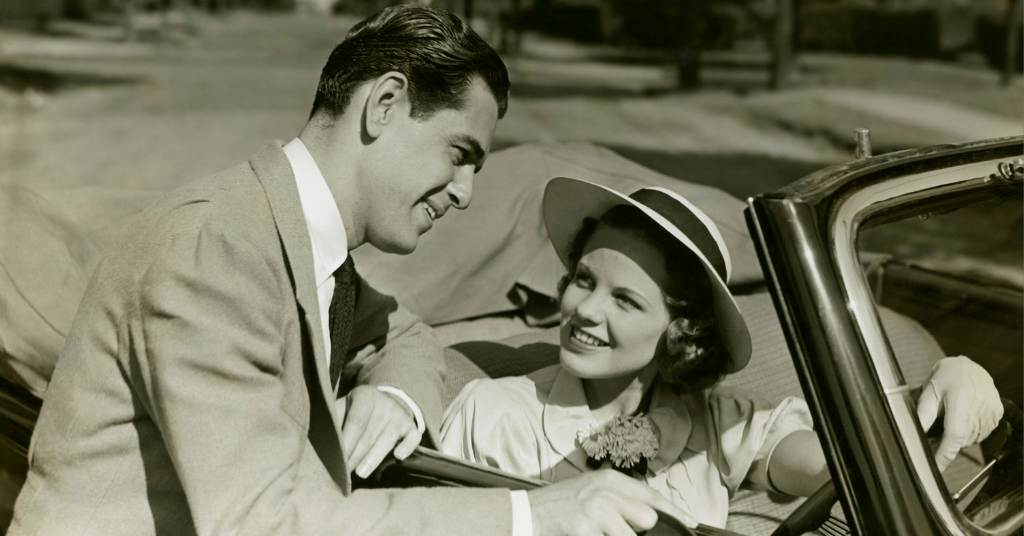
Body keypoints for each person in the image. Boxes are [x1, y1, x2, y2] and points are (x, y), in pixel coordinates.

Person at [9, 7, 696, 536]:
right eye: (460, 153)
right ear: (386, 105)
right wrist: (530, 514)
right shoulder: (215, 250)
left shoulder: (296, 239)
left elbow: (407, 335)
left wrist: (395, 395)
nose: (465, 193)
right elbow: (262, 523)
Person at [440, 177, 1005, 528]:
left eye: (626, 301)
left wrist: (938, 392)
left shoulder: (719, 423)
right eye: (583, 280)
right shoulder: (489, 415)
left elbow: (847, 466)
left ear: (680, 329)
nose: (585, 310)